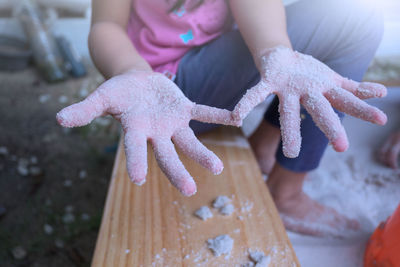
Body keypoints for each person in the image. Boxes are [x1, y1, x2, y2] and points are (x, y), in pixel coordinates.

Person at [57, 0, 388, 236]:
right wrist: (132, 72)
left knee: (335, 29)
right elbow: (106, 25)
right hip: (163, 94)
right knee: (358, 20)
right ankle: (286, 195)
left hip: (209, 81)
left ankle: (265, 145)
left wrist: (275, 50)